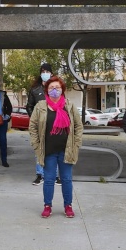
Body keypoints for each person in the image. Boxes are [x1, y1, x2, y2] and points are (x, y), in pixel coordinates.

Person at [29, 76, 83, 219]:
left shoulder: (69, 106)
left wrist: (76, 144)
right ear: (47, 90)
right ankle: (47, 206)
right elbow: (33, 127)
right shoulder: (40, 106)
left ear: (62, 90)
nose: (54, 90)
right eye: (51, 87)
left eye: (57, 88)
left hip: (66, 150)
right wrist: (36, 144)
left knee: (66, 179)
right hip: (48, 150)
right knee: (48, 179)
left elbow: (78, 126)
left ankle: (68, 206)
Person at [26, 63, 60, 186]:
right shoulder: (35, 90)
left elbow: (62, 103)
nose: (44, 73)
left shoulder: (56, 88)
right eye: (42, 71)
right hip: (40, 125)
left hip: (55, 124)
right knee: (39, 150)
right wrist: (34, 119)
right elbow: (29, 106)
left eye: (47, 71)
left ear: (51, 73)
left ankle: (55, 175)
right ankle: (40, 175)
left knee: (54, 149)